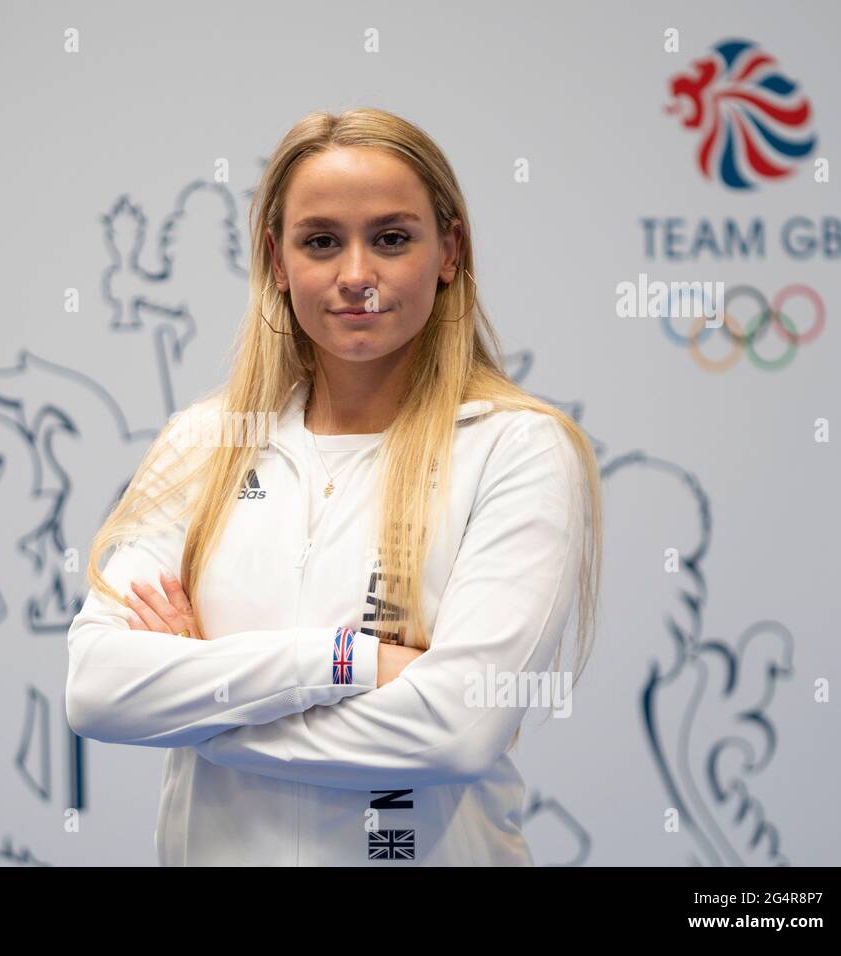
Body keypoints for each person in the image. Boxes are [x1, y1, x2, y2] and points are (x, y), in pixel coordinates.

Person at [66, 107, 602, 865]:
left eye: (391, 238)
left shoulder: (516, 449)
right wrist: (346, 663)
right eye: (321, 242)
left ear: (448, 251)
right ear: (277, 262)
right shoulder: (203, 443)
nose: (356, 275)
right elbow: (96, 688)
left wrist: (197, 701)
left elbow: (453, 729)